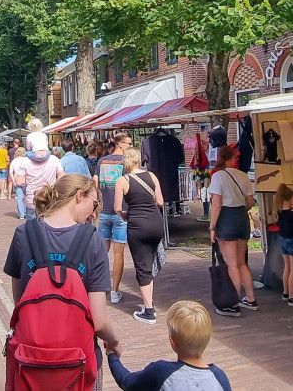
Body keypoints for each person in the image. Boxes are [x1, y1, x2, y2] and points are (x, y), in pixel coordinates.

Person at [4, 174, 120, 391]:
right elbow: (99, 321)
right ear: (79, 196)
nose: (94, 213)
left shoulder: (23, 234)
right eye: (94, 204)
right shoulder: (93, 240)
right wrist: (113, 342)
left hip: (30, 360)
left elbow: (20, 302)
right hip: (77, 362)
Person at [107, 300, 231, 390]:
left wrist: (112, 356)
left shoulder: (161, 372)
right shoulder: (220, 377)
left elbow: (127, 382)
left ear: (173, 341)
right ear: (207, 339)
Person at [114, 147, 164, 323]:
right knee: (148, 263)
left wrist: (125, 215)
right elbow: (160, 202)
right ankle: (149, 300)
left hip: (138, 226)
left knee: (142, 267)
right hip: (156, 224)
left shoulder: (122, 180)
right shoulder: (152, 176)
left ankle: (149, 311)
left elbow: (117, 208)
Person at [209, 145, 257, 316]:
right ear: (233, 158)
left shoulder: (218, 177)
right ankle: (251, 299)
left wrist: (212, 227)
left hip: (226, 219)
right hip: (242, 218)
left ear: (221, 158)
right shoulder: (244, 176)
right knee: (242, 262)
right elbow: (250, 202)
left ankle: (233, 301)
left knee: (231, 264)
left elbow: (216, 205)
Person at [94, 132, 132, 304]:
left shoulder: (102, 161)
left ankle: (99, 287)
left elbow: (95, 183)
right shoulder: (126, 162)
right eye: (128, 143)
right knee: (119, 254)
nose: (130, 146)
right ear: (120, 143)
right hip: (121, 212)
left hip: (104, 212)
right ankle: (115, 291)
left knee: (102, 252)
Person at [15, 146, 64, 220]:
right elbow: (62, 177)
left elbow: (19, 182)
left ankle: (22, 214)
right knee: (49, 226)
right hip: (50, 198)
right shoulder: (54, 159)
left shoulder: (25, 161)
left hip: (32, 199)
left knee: (32, 228)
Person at [275, 183, 293, 305]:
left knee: (287, 267)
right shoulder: (292, 215)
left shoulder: (279, 213)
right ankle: (292, 297)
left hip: (282, 240)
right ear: (289, 198)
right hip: (292, 241)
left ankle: (286, 293)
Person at [8, 147, 27, 219]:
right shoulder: (26, 160)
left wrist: (13, 181)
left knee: (19, 198)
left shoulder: (14, 161)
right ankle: (26, 212)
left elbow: (10, 172)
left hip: (17, 180)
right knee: (26, 197)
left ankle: (21, 214)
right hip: (25, 180)